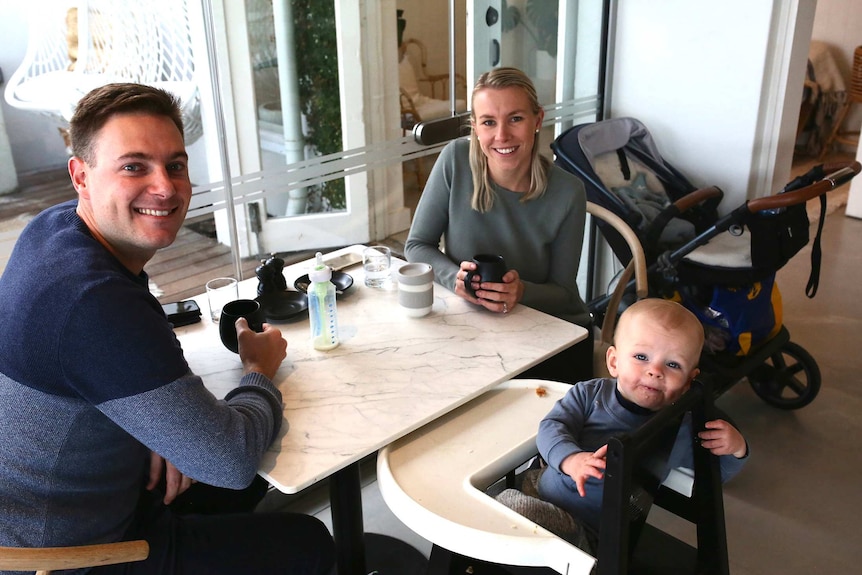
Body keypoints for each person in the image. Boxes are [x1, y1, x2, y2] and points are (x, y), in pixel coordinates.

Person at [0, 83, 334, 574]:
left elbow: (123, 352)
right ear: (81, 176)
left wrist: (156, 431)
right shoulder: (93, 301)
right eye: (134, 166)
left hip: (40, 503)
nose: (165, 186)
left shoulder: (52, 229)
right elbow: (230, 462)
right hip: (67, 552)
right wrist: (259, 369)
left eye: (175, 165)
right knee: (307, 541)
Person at [404, 66, 592, 382]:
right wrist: (454, 280)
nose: (502, 135)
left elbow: (563, 292)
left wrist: (520, 292)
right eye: (489, 122)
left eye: (515, 119)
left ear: (538, 120)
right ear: (475, 127)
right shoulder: (455, 160)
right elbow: (417, 245)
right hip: (476, 330)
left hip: (551, 335)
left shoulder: (568, 191)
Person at [535, 298, 748, 538]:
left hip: (598, 535)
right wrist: (570, 459)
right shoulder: (588, 393)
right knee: (506, 499)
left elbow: (712, 475)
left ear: (689, 381)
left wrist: (736, 449)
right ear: (614, 362)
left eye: (673, 364)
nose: (655, 371)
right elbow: (550, 427)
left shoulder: (681, 427)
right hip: (546, 493)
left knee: (510, 506)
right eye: (641, 357)